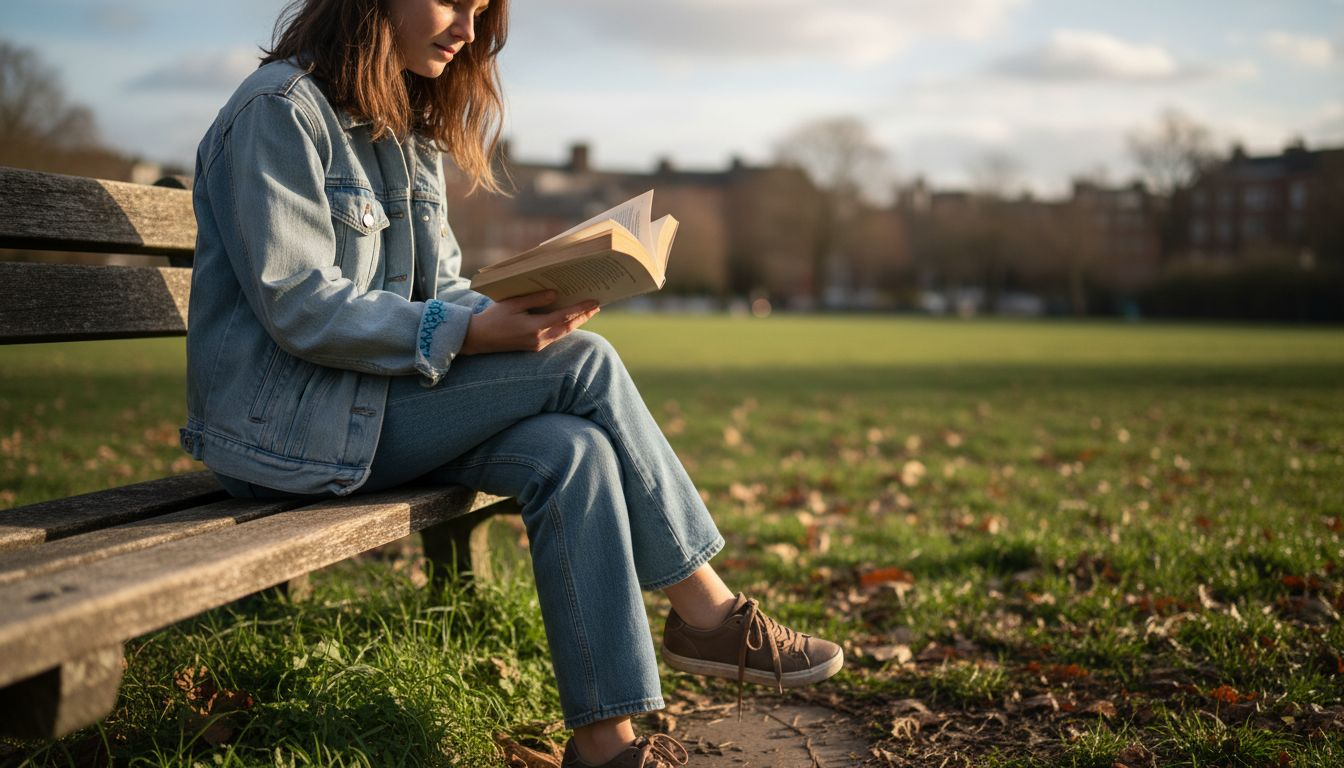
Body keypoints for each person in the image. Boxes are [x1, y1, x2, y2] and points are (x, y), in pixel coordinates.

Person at [178, 0, 843, 765]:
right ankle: (708, 614)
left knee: (571, 450)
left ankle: (606, 746)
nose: (467, 29)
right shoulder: (278, 112)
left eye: (480, 11)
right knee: (586, 363)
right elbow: (302, 305)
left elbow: (440, 288)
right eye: (451, 2)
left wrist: (517, 305)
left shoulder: (407, 127)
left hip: (372, 409)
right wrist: (469, 332)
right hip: (285, 430)